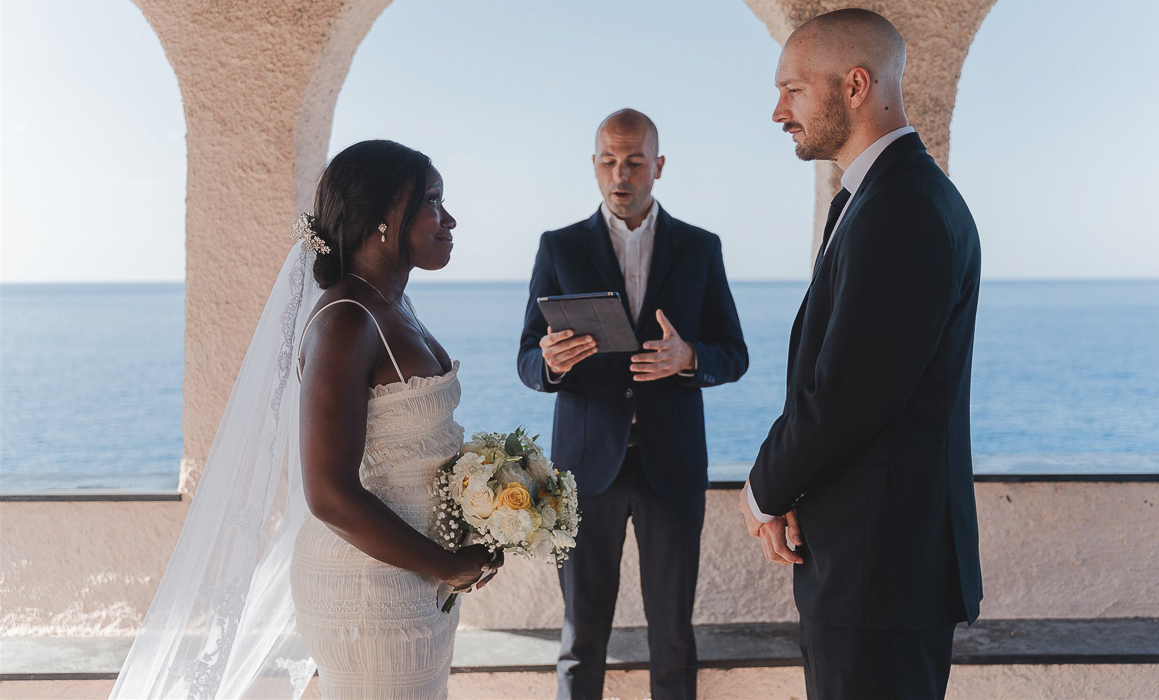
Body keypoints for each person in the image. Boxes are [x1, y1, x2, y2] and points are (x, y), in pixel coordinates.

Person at [111, 140, 499, 700]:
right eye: (433, 202)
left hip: (417, 580)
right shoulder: (347, 319)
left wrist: (488, 515)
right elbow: (328, 493)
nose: (450, 219)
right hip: (370, 587)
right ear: (387, 217)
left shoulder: (393, 305)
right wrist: (447, 563)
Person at [737, 9, 983, 700]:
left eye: (792, 89)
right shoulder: (880, 196)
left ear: (853, 85)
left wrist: (764, 489)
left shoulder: (901, 206)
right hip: (869, 568)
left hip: (880, 574)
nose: (778, 111)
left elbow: (849, 395)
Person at [518, 109, 748, 700]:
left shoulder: (700, 248)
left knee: (672, 637)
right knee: (580, 637)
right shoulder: (558, 247)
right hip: (584, 470)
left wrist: (689, 358)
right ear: (594, 166)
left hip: (670, 468)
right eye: (608, 161)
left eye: (635, 161)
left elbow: (735, 354)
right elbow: (526, 359)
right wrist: (550, 363)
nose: (621, 175)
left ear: (659, 167)